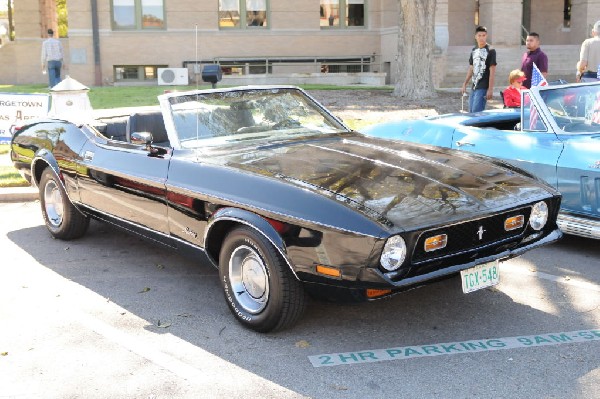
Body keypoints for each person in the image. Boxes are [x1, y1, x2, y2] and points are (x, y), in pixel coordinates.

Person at [461, 26, 497, 113]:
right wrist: (465, 83)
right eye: (479, 35)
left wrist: (490, 89)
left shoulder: (491, 51)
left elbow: (492, 71)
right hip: (474, 87)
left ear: (486, 36)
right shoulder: (474, 50)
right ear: (475, 36)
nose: (481, 38)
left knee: (477, 113)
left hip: (483, 87)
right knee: (471, 112)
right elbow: (471, 68)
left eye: (483, 35)